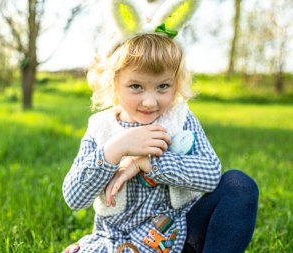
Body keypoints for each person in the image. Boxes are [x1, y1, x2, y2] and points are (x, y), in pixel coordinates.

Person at [62, 1, 259, 252]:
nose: (150, 101)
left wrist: (147, 163)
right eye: (136, 86)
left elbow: (211, 174)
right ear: (114, 81)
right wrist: (116, 149)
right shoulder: (102, 128)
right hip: (122, 242)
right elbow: (74, 197)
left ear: (176, 83)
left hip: (181, 235)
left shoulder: (179, 119)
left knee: (239, 185)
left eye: (163, 86)